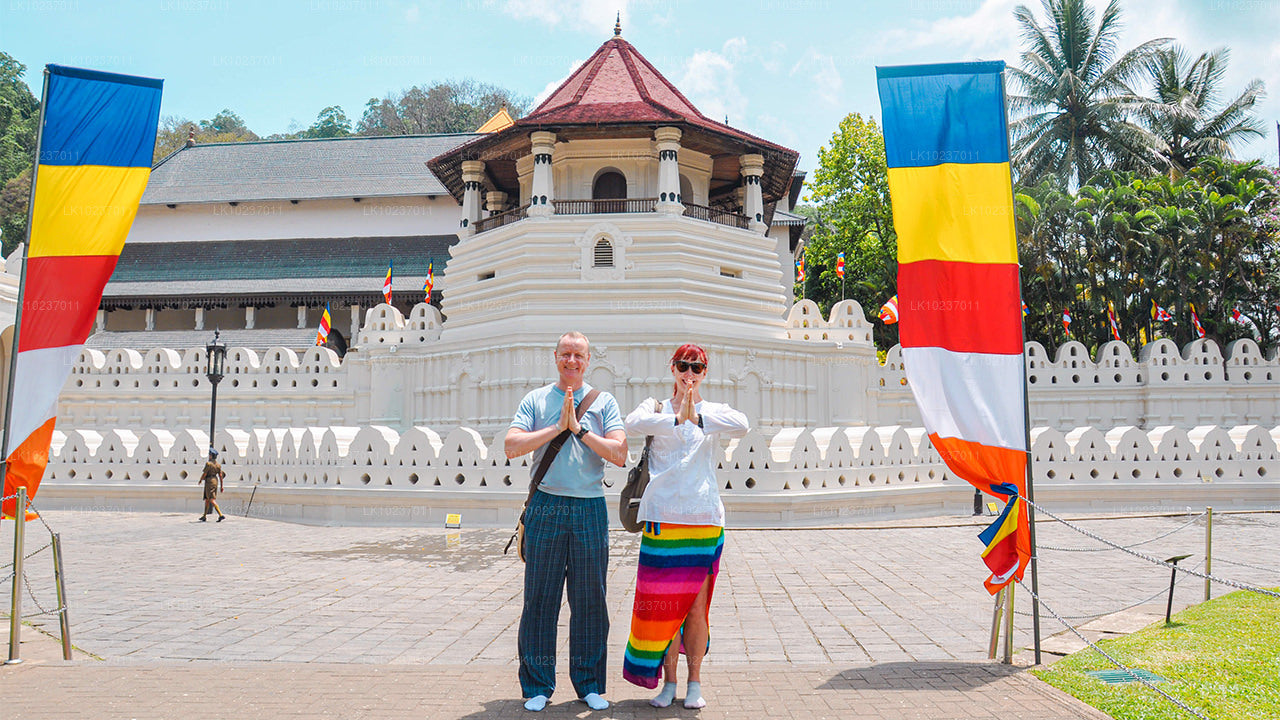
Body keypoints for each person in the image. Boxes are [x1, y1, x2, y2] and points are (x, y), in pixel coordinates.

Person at [504, 331, 627, 712]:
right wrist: (557, 427)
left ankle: (589, 683)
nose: (571, 361)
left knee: (590, 599)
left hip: (589, 507)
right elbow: (512, 446)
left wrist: (580, 428)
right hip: (546, 505)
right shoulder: (536, 400)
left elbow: (620, 454)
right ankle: (538, 685)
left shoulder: (603, 401)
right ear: (555, 357)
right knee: (541, 597)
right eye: (566, 354)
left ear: (588, 360)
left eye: (579, 355)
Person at [621, 343, 748, 709]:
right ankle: (669, 682)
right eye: (683, 366)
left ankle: (694, 681)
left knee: (694, 607)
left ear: (705, 372)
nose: (689, 374)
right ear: (672, 368)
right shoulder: (656, 407)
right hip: (662, 520)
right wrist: (677, 419)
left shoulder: (714, 411)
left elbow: (743, 425)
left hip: (703, 520)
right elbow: (632, 424)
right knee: (663, 608)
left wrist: (698, 419)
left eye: (696, 368)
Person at [198, 449, 226, 522]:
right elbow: (220, 476)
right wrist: (222, 486)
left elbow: (205, 473)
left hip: (209, 481)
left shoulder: (208, 464)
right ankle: (204, 515)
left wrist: (201, 480)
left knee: (211, 499)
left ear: (211, 456)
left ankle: (220, 515)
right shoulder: (218, 465)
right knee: (207, 499)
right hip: (215, 481)